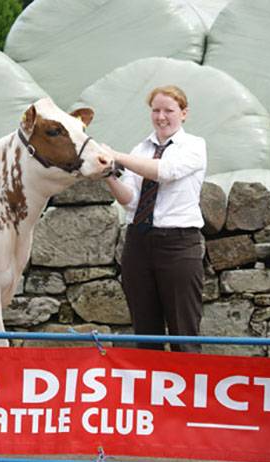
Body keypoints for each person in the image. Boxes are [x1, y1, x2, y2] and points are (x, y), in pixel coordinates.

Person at [102, 85, 206, 353]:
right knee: (145, 332)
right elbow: (131, 200)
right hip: (138, 241)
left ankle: (190, 391)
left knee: (184, 331)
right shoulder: (141, 149)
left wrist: (117, 156)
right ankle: (152, 393)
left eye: (169, 110)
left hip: (178, 243)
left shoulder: (194, 146)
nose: (161, 117)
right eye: (156, 110)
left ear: (184, 113)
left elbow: (166, 172)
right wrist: (109, 174)